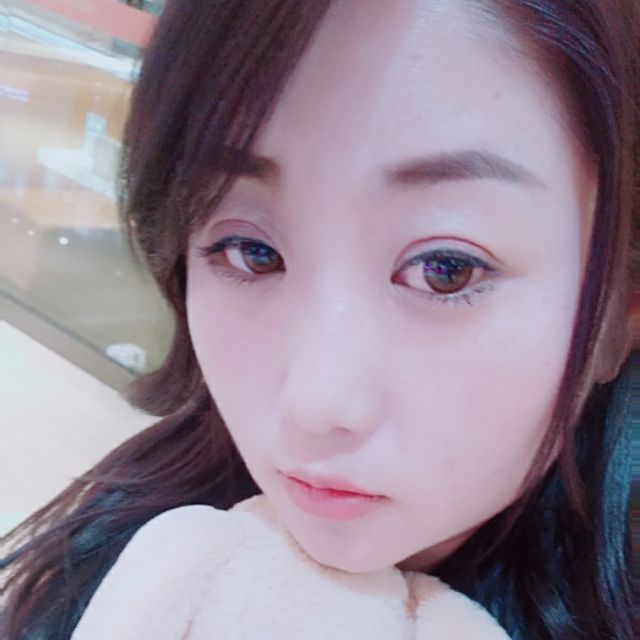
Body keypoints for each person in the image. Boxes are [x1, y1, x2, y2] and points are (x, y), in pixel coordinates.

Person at [1, 1, 637, 638]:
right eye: (251, 251)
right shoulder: (130, 542)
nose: (315, 403)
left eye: (446, 269)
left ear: (621, 309)